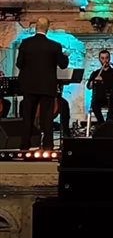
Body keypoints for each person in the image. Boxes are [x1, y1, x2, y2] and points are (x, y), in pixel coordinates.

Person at [16, 17, 69, 150]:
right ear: (47, 28)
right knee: (47, 118)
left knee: (28, 117)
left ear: (36, 27)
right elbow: (63, 65)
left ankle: (25, 145)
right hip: (47, 86)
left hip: (29, 86)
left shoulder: (25, 43)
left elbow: (19, 64)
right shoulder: (54, 46)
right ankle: (48, 146)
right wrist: (65, 56)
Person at [87, 49, 113, 125]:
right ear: (99, 60)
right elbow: (88, 86)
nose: (105, 60)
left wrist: (103, 81)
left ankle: (108, 122)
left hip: (112, 98)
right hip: (99, 98)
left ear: (109, 59)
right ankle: (101, 124)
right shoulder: (95, 73)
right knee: (94, 104)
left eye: (106, 58)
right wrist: (92, 83)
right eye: (102, 58)